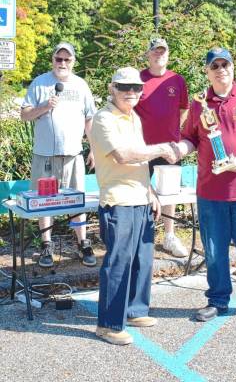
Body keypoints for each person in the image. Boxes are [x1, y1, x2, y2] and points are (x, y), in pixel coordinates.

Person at [171, 47, 236, 323]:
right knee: (215, 252)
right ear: (208, 72)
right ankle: (218, 300)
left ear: (233, 68)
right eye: (214, 66)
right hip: (211, 192)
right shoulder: (199, 104)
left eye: (225, 64)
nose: (221, 70)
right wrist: (178, 149)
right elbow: (190, 139)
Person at [91, 67, 177, 345]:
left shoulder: (134, 118)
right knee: (119, 263)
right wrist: (163, 148)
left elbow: (140, 162)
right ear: (111, 88)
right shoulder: (102, 119)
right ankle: (108, 324)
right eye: (124, 87)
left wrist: (151, 191)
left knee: (143, 259)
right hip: (119, 201)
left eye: (136, 88)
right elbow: (123, 155)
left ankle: (135, 310)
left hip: (141, 198)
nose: (131, 92)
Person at [20, 42, 97, 268]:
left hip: (73, 155)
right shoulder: (40, 83)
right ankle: (46, 244)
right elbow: (24, 115)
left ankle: (82, 242)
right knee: (45, 202)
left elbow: (89, 119)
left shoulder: (81, 86)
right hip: (44, 155)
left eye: (67, 59)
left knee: (77, 200)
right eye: (59, 59)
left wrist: (93, 147)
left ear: (73, 62)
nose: (62, 63)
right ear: (52, 60)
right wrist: (44, 107)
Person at [135, 38, 190, 258]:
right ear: (148, 55)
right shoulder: (138, 79)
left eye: (163, 51)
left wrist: (175, 133)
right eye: (155, 51)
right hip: (142, 148)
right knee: (140, 190)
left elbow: (184, 108)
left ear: (168, 54)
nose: (159, 55)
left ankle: (169, 236)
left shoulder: (177, 80)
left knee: (170, 194)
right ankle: (141, 235)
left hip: (170, 147)